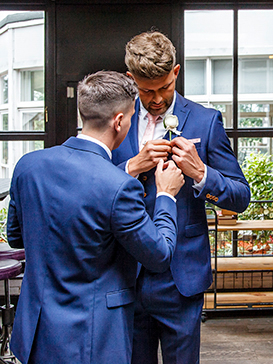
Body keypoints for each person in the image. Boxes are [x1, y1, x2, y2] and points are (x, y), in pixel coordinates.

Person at [7, 71, 184, 363]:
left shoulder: (28, 166)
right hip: (92, 337)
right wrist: (166, 195)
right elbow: (160, 255)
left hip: (36, 332)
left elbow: (16, 236)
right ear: (119, 121)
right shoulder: (118, 185)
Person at [111, 30, 252, 363]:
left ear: (176, 72)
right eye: (147, 91)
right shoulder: (115, 120)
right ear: (131, 80)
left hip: (181, 277)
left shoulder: (206, 120)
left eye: (165, 87)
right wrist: (131, 166)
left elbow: (241, 196)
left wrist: (201, 172)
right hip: (124, 275)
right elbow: (93, 187)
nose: (157, 99)